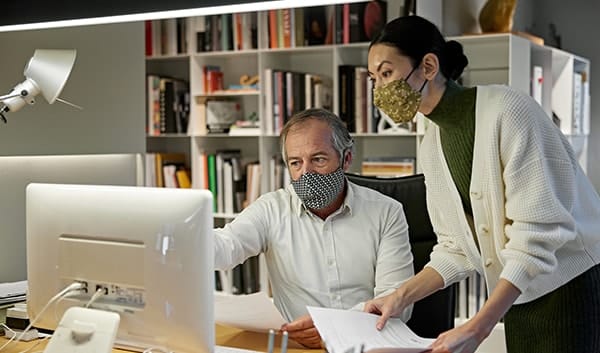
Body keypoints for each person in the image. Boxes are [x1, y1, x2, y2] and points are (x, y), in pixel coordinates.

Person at [364, 15, 600, 353]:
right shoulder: (431, 140)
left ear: (428, 66)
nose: (379, 89)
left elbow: (538, 236)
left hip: (568, 292)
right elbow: (456, 248)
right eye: (373, 78)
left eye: (387, 73)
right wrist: (398, 297)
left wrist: (479, 327)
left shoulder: (509, 111)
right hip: (518, 298)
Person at [214, 108, 414, 348]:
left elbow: (396, 302)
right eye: (295, 163)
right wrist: (180, 237)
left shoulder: (386, 212)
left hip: (367, 343)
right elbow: (227, 246)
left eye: (318, 159)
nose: (306, 173)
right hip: (299, 346)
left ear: (346, 158)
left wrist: (332, 327)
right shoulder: (271, 209)